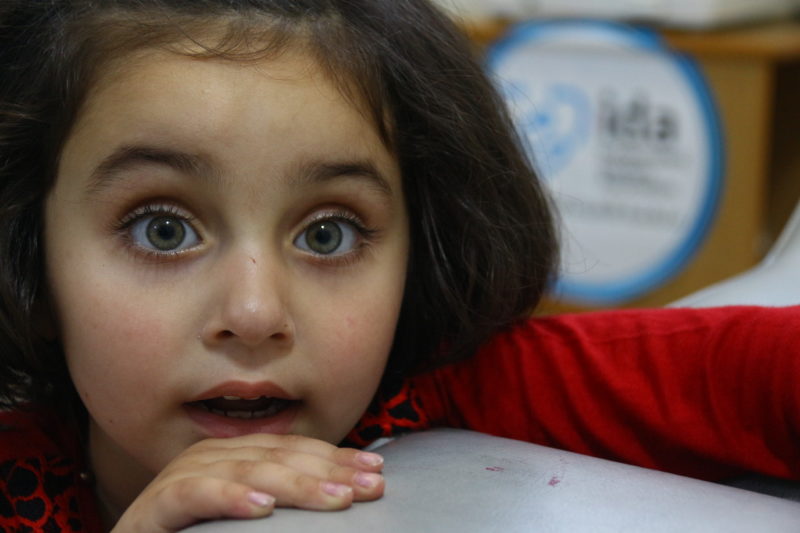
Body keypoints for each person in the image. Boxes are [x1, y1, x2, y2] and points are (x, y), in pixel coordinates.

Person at [0, 1, 798, 531]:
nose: (254, 312)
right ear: (30, 258)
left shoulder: (452, 393)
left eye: (327, 234)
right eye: (165, 229)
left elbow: (747, 370)